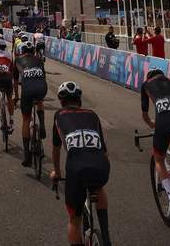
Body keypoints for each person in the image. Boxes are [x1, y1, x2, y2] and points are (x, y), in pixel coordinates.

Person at [50, 81, 111, 246]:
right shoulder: (92, 115)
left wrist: (57, 172)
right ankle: (106, 236)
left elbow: (56, 151)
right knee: (98, 188)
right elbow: (104, 151)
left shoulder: (59, 115)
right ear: (79, 100)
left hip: (76, 170)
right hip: (101, 166)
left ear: (62, 102)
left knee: (74, 220)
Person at [141, 66, 170, 207]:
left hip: (163, 122)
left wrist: (151, 124)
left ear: (149, 77)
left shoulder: (146, 85)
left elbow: (144, 113)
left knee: (159, 159)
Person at [17, 42, 49, 168]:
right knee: (39, 99)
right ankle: (42, 125)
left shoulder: (19, 60)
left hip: (28, 89)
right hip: (42, 87)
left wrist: (15, 97)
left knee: (26, 119)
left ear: (22, 51)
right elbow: (43, 76)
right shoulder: (39, 60)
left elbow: (15, 81)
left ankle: (27, 156)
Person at [0, 38, 18, 131]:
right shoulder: (9, 55)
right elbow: (12, 70)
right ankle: (11, 120)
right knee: (9, 98)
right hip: (7, 77)